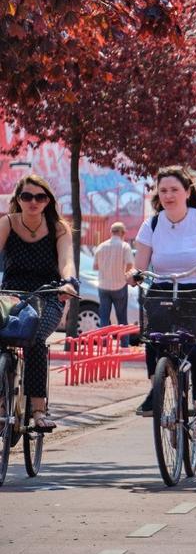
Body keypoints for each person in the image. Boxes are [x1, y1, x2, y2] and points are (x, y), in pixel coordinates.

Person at [133, 167, 196, 456]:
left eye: (174, 190)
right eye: (163, 191)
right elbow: (140, 268)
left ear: (187, 192)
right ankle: (157, 387)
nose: (168, 195)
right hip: (164, 292)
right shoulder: (150, 226)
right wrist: (133, 274)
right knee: (154, 339)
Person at [0, 175, 79, 430]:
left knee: (34, 340)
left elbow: (67, 260)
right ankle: (3, 402)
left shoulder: (58, 227)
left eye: (40, 197)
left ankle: (38, 410)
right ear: (18, 200)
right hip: (11, 294)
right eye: (27, 196)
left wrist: (68, 281)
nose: (33, 202)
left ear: (47, 201)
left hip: (48, 295)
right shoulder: (8, 224)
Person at [94, 221, 134, 327]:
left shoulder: (101, 246)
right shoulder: (125, 246)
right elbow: (130, 264)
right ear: (122, 233)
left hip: (103, 286)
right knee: (122, 318)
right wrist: (125, 276)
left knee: (104, 317)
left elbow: (95, 266)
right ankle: (124, 343)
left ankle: (103, 342)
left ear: (111, 232)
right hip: (119, 285)